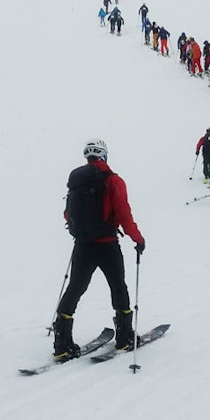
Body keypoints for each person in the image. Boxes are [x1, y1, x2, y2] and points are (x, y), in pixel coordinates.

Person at [55, 139, 145, 358]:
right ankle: (124, 338)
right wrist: (138, 239)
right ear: (105, 156)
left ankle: (61, 345)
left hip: (83, 245)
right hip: (107, 245)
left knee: (75, 288)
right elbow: (123, 213)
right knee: (118, 286)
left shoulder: (77, 181)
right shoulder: (113, 180)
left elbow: (68, 213)